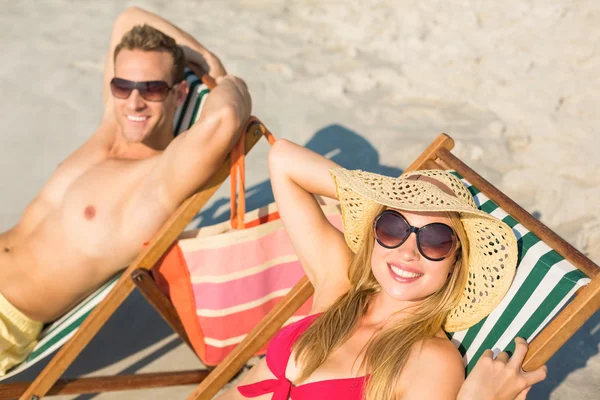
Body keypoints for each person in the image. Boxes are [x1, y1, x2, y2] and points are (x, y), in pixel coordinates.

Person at [0, 7, 251, 375]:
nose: (134, 102)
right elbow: (129, 19)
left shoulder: (159, 178)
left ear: (179, 93)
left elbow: (226, 118)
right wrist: (198, 54)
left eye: (152, 89)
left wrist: (217, 72)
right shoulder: (110, 127)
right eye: (123, 86)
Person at [216, 140, 548, 399]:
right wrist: (374, 198)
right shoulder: (340, 286)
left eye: (434, 240)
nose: (407, 252)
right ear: (374, 235)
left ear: (455, 261)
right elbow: (283, 160)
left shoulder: (432, 360)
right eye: (393, 228)